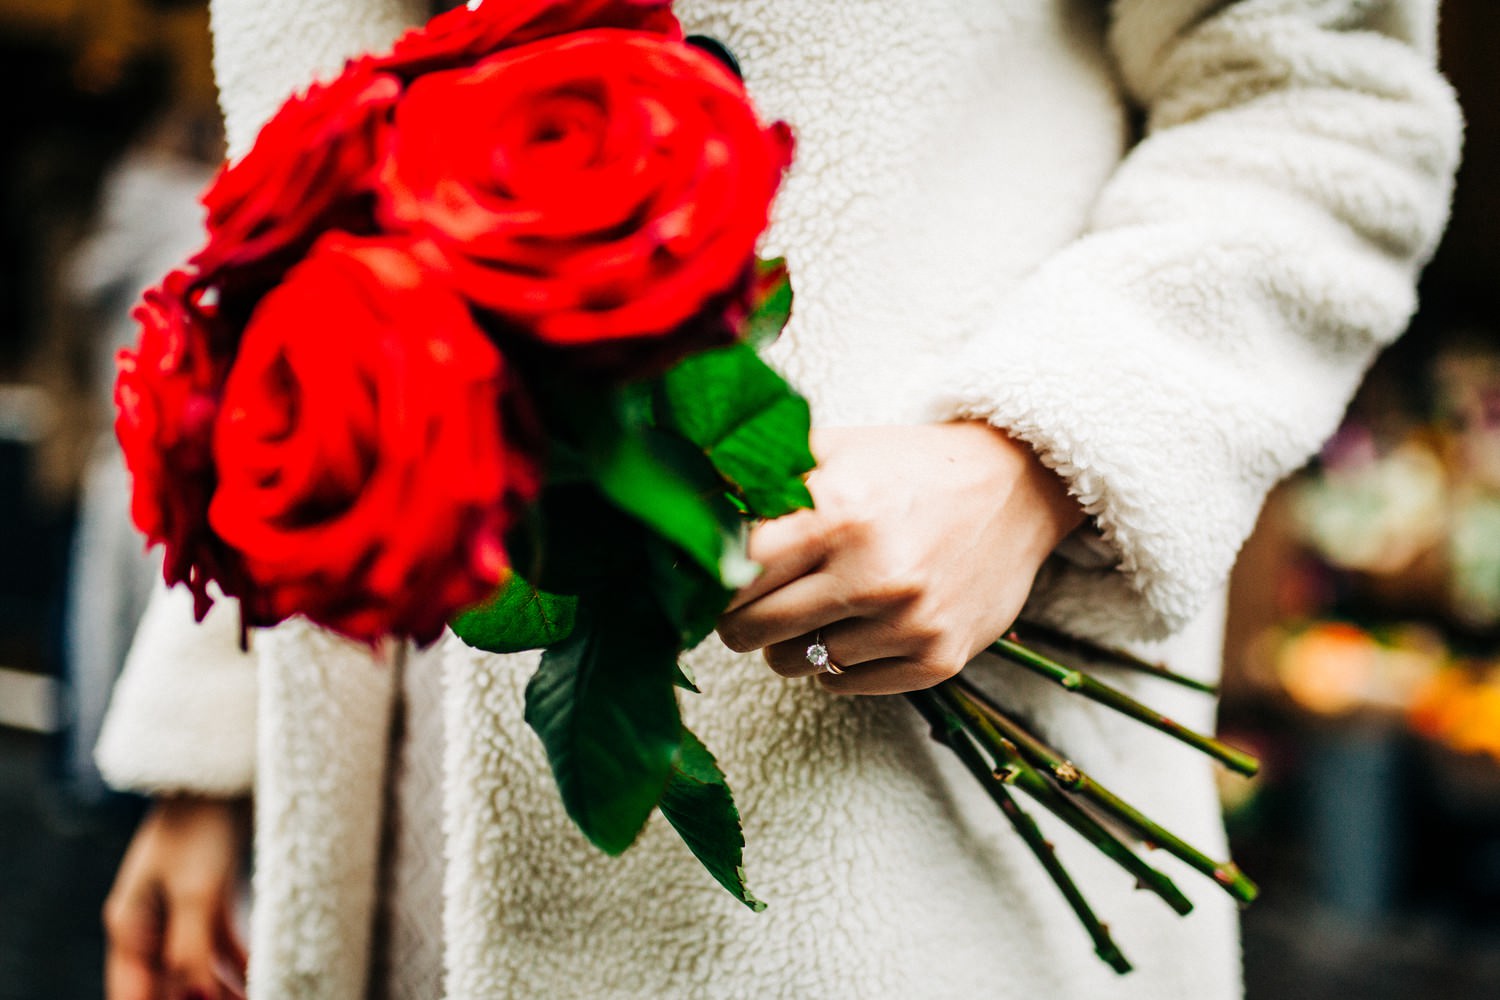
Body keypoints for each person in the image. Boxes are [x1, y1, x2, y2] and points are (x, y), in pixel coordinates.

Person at [95, 0, 1463, 997]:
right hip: (381, 852)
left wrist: (1035, 452)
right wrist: (224, 741)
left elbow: (1322, 93)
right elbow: (313, 244)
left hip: (869, 842)